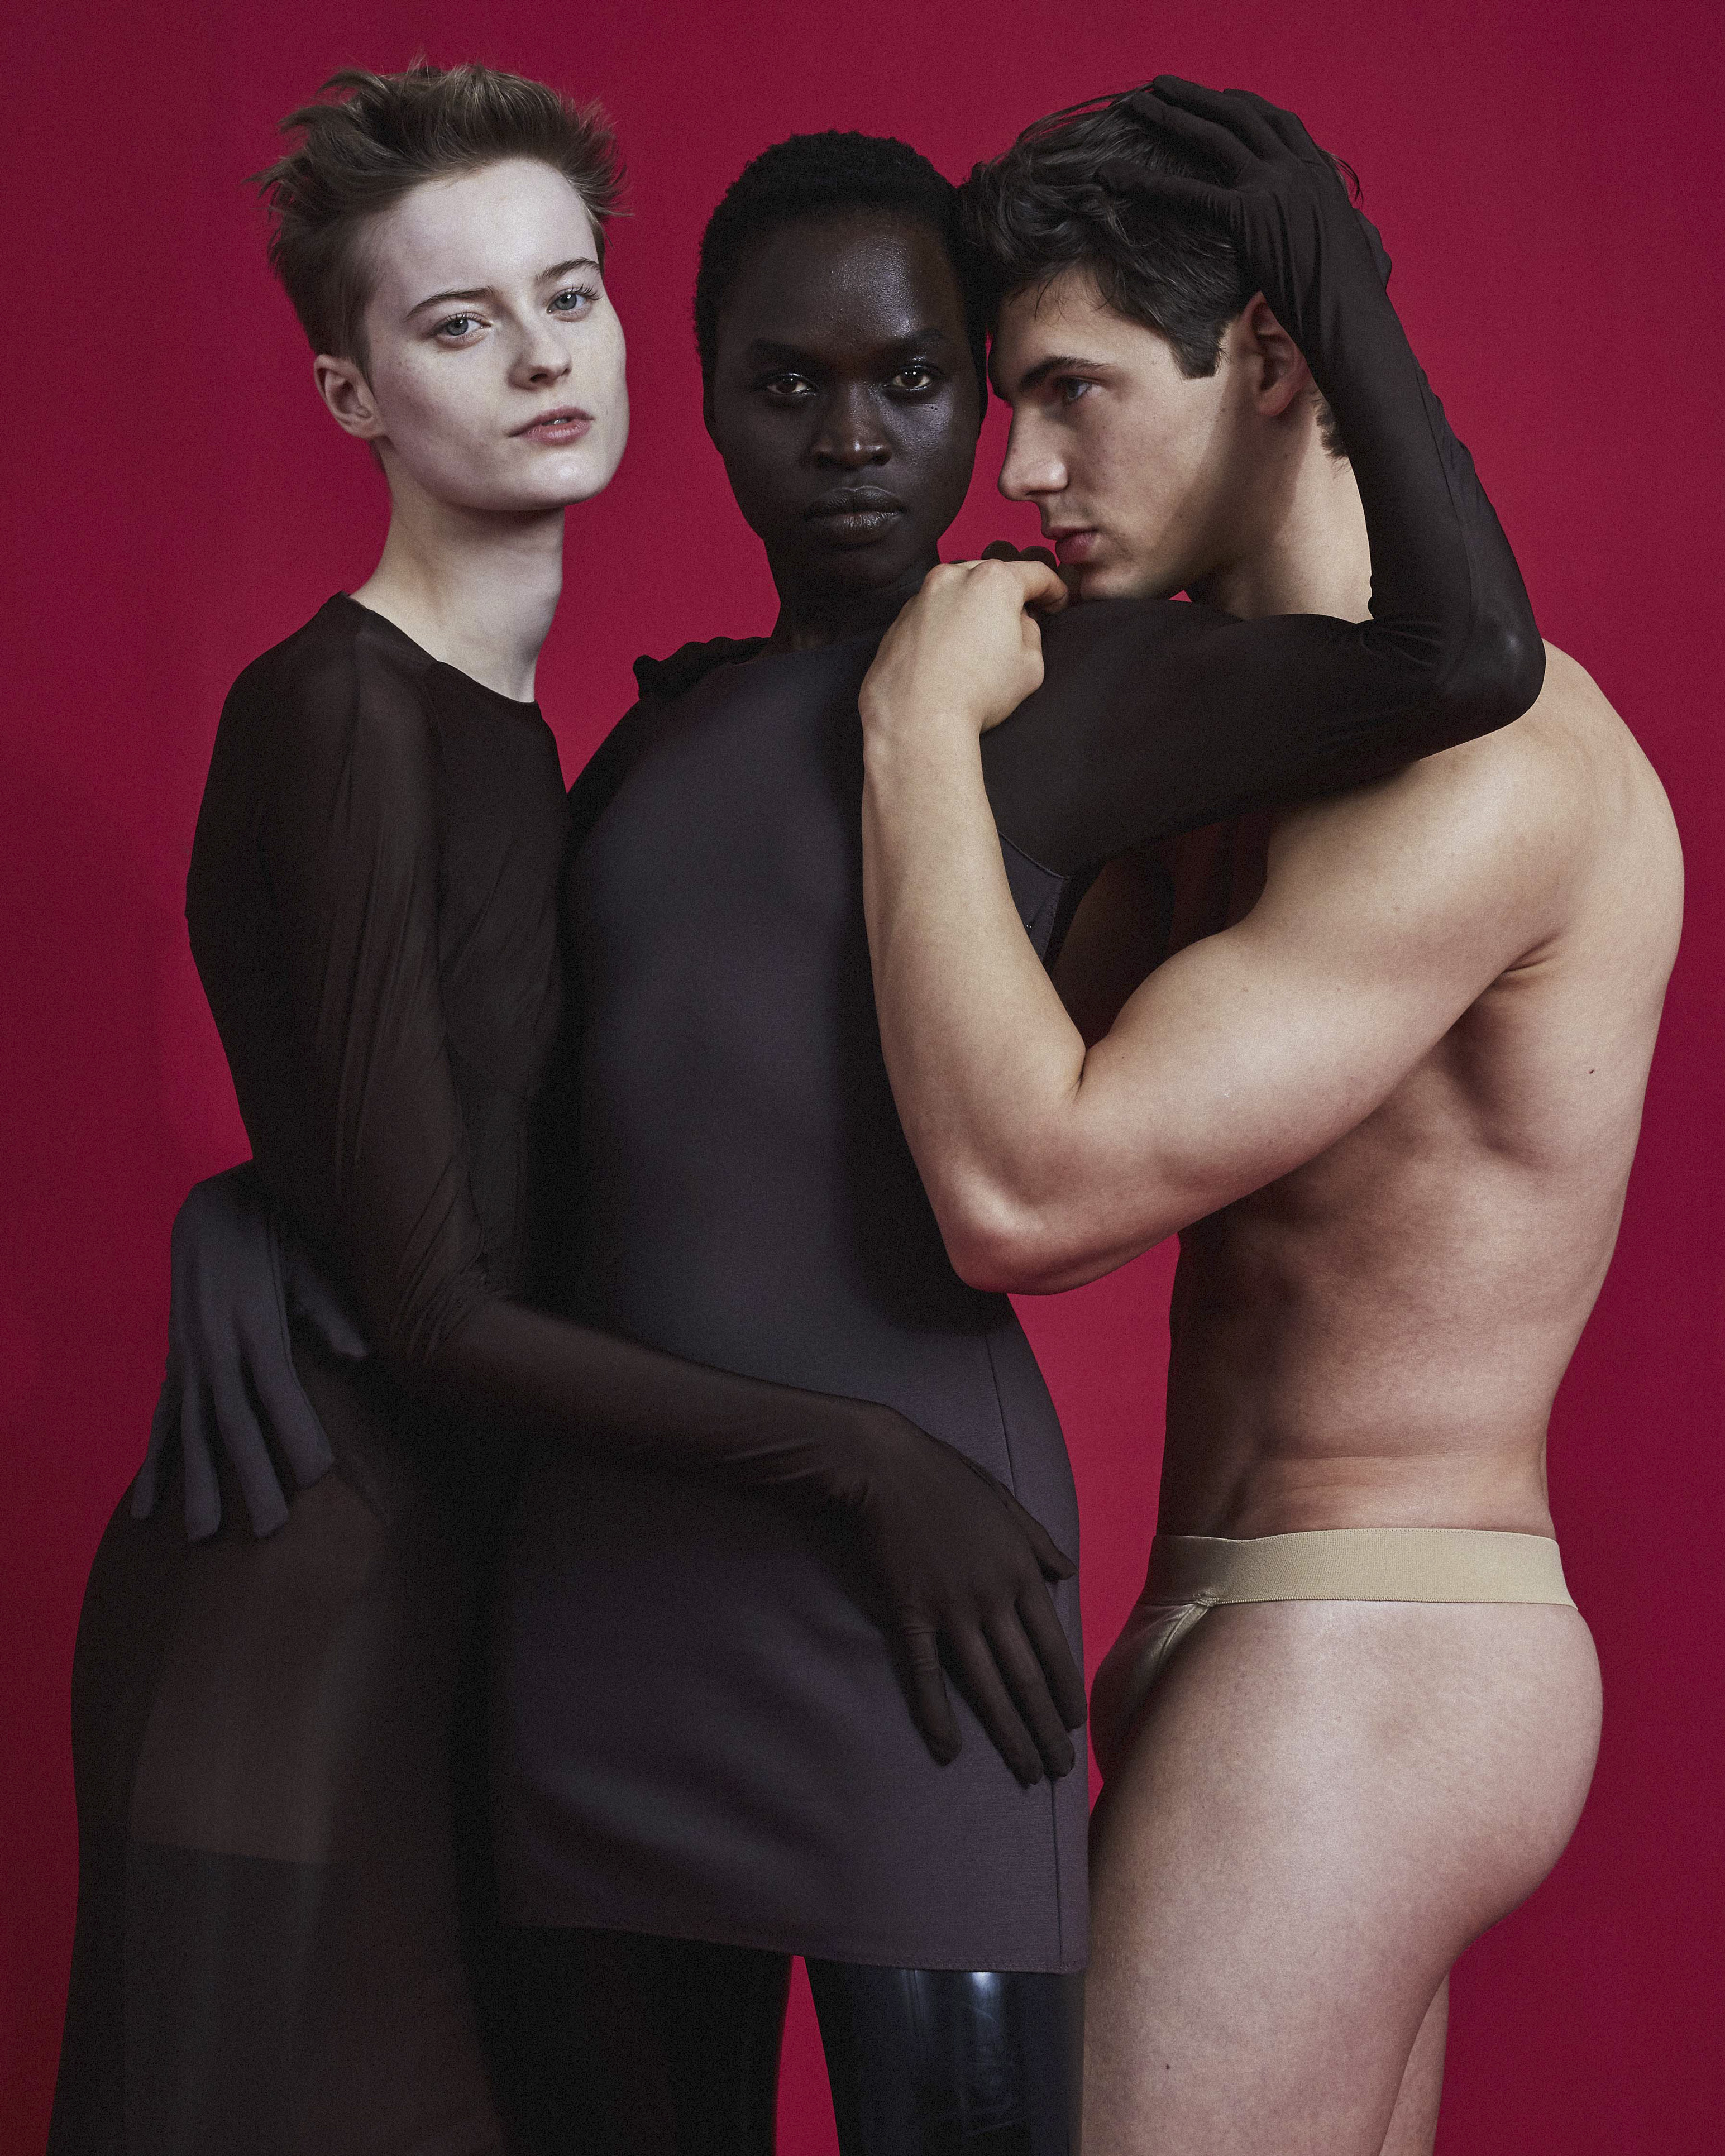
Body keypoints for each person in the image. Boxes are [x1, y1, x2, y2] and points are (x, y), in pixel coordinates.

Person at [154, 90, 1547, 2151]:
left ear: (973, 395)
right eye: (786, 386)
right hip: (601, 1601)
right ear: (704, 401)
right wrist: (260, 1209)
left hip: (918, 1600)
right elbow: (524, 1140)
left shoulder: (1047, 681)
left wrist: (1317, 269)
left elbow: (1465, 656)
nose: (851, 438)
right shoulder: (649, 737)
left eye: (909, 380)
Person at [50, 65, 1094, 2156]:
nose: (539, 358)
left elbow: (525, 1122)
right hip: (320, 1587)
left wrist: (263, 1195)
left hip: (521, 1581)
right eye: (459, 323)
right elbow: (438, 1303)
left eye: (567, 296)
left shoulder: (578, 742)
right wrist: (868, 1455)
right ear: (352, 395)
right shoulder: (342, 710)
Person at [855, 83, 1681, 2155]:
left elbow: (1024, 1189)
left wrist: (908, 737)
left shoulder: (1487, 778)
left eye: (1073, 391)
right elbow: (947, 1081)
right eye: (1006, 402)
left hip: (1372, 1638)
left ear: (1272, 360)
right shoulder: (1228, 741)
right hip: (1249, 1625)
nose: (1019, 469)